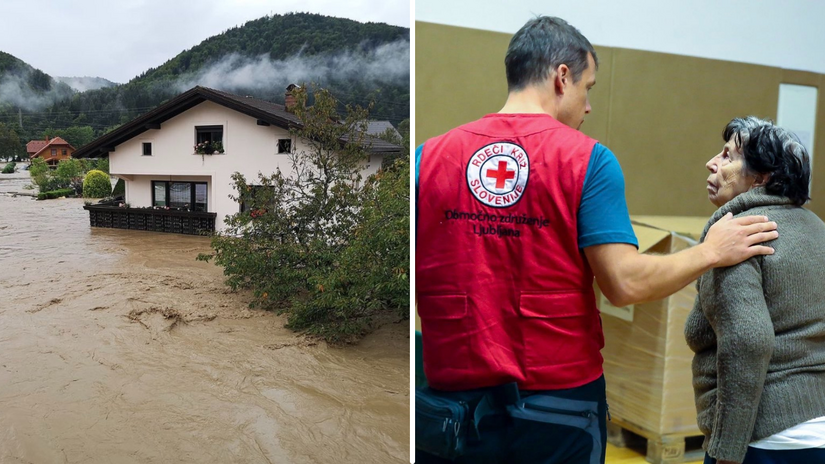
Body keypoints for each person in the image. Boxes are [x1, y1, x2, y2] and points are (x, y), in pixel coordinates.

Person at [415, 16, 779, 464]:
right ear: (561, 77)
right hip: (557, 406)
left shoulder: (426, 158)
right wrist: (710, 251)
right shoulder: (587, 160)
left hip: (450, 404)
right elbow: (624, 283)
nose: (588, 106)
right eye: (589, 87)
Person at [685, 117, 825, 464]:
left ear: (761, 178)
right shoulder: (817, 229)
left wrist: (727, 450)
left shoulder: (737, 235)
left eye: (728, 156)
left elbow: (747, 341)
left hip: (766, 441)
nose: (712, 163)